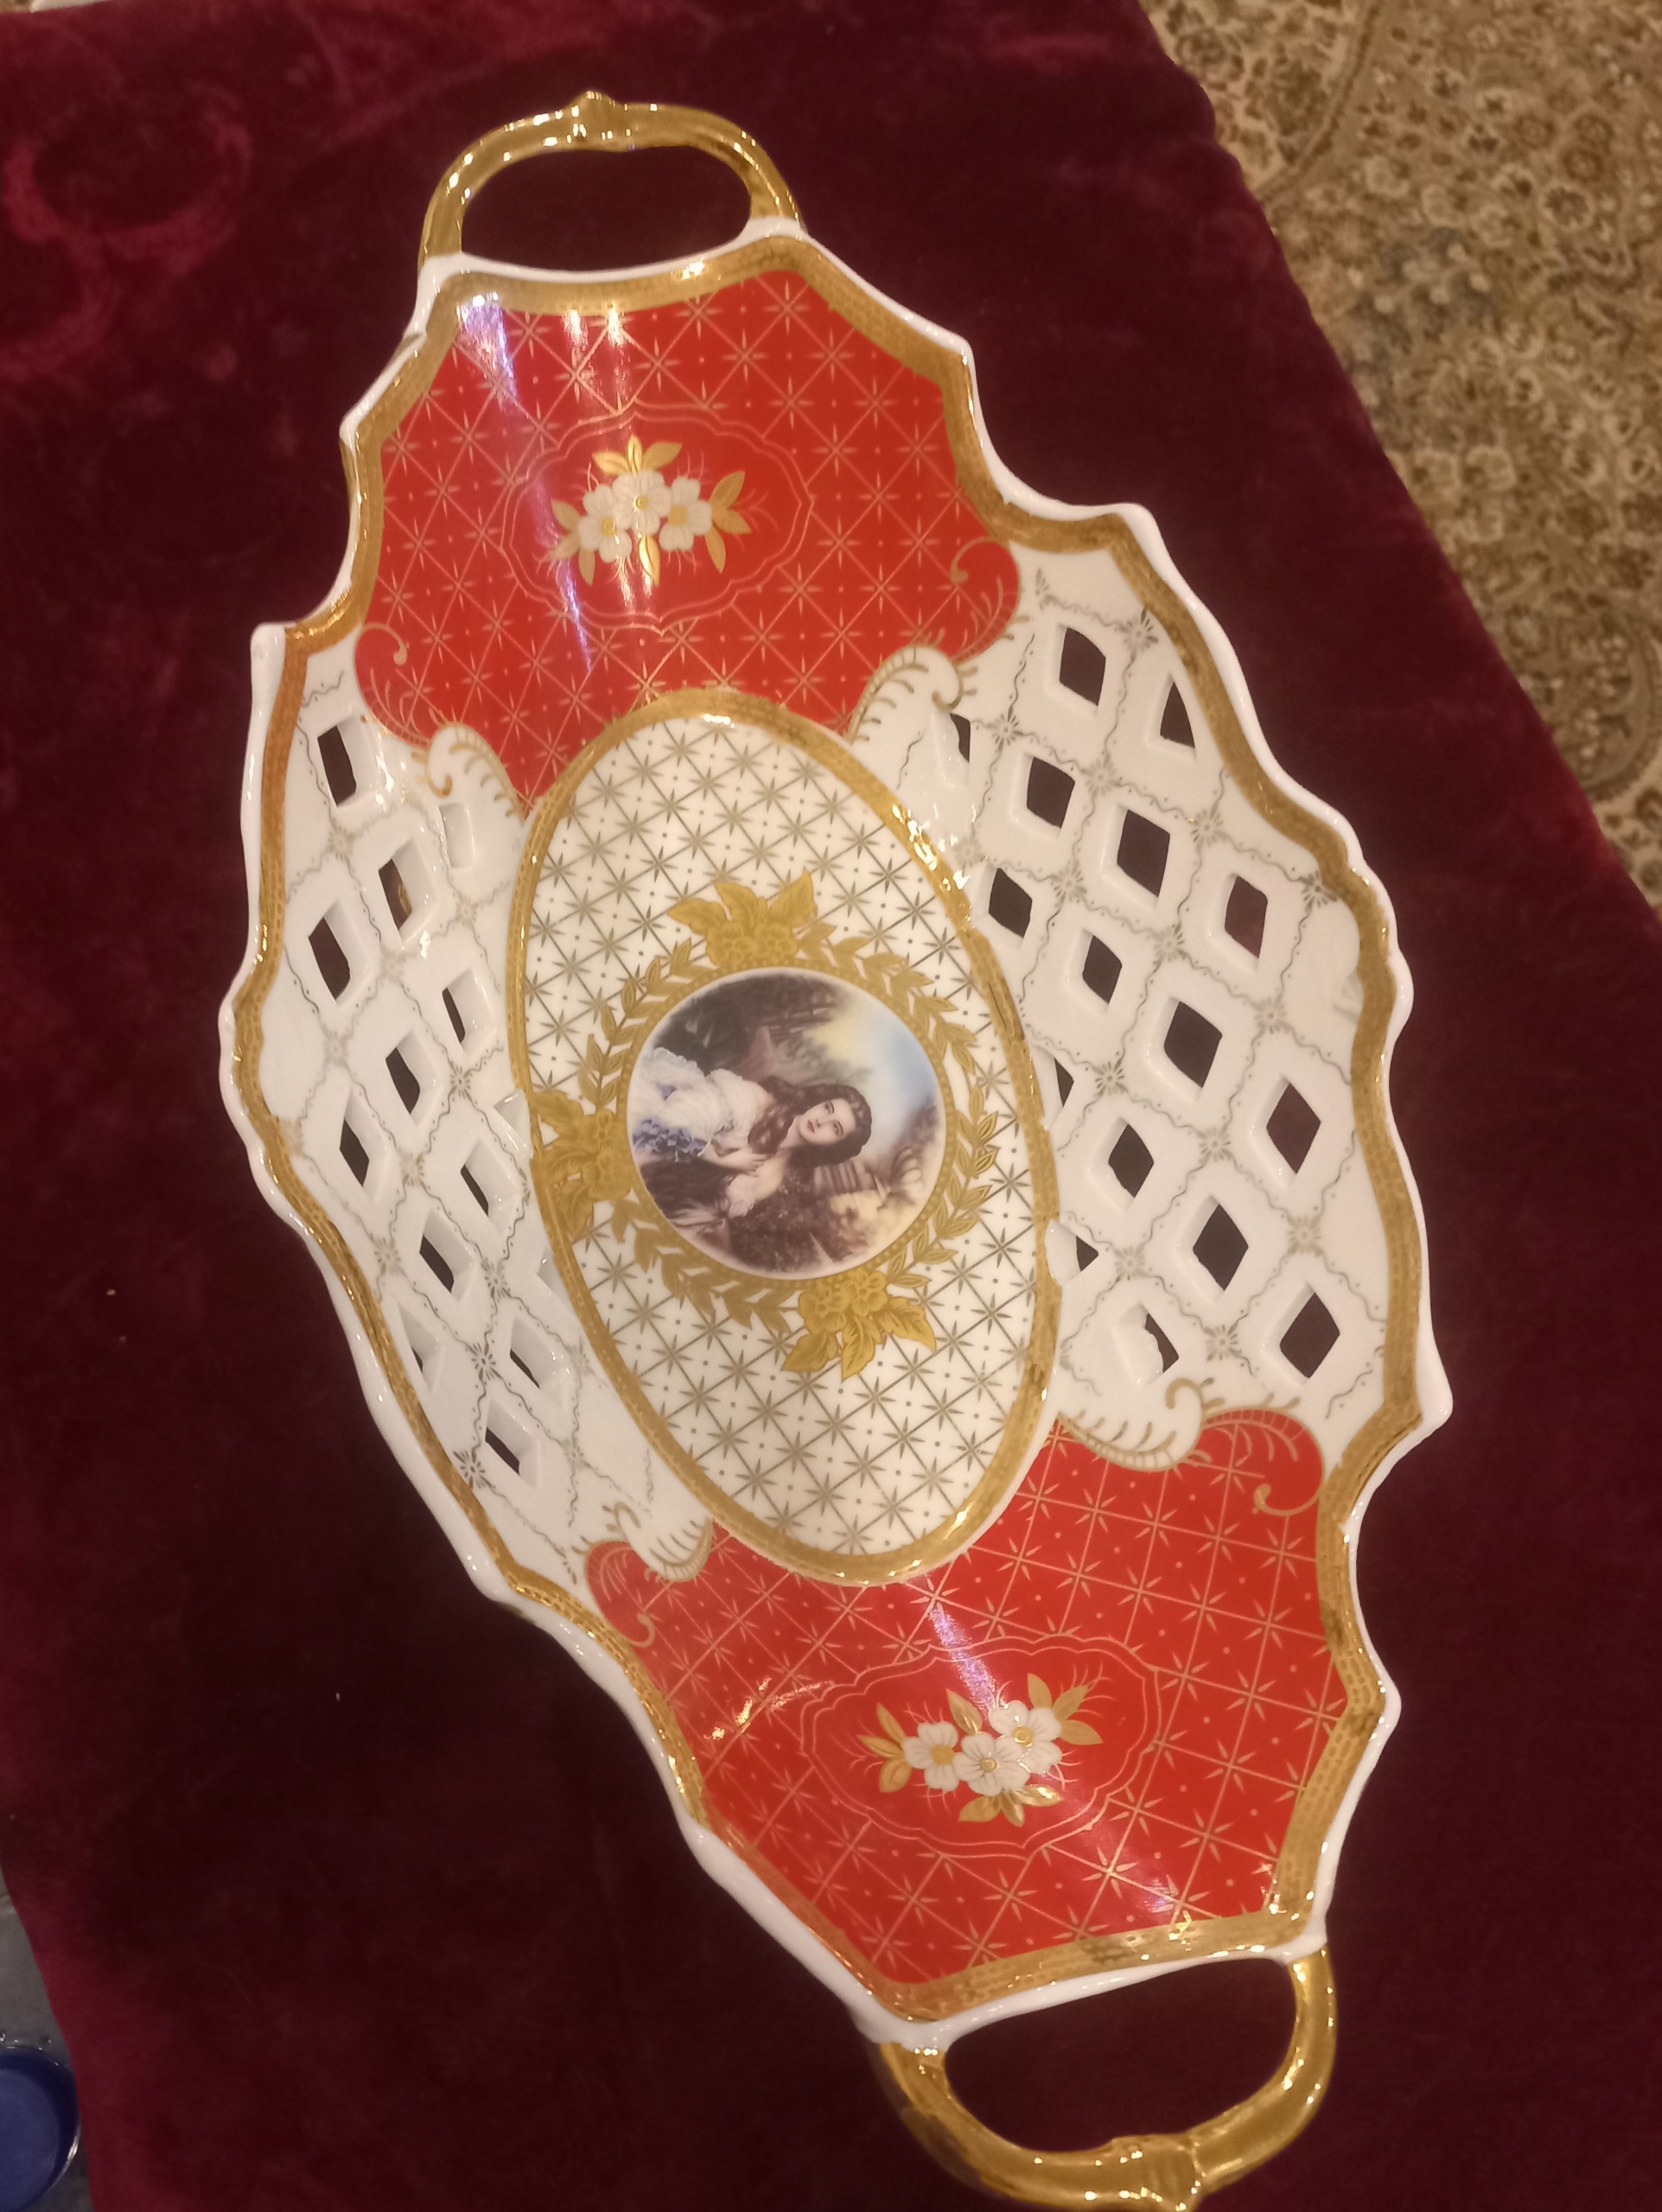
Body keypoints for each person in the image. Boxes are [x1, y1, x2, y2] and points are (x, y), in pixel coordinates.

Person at [631, 1047, 872, 1265]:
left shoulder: (773, 1178)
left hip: (655, 1203)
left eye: (835, 1128)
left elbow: (695, 1217)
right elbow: (664, 1125)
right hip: (642, 1140)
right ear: (819, 1101)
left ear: (834, 1146)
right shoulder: (752, 1102)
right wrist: (717, 1157)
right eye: (828, 1108)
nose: (821, 1121)